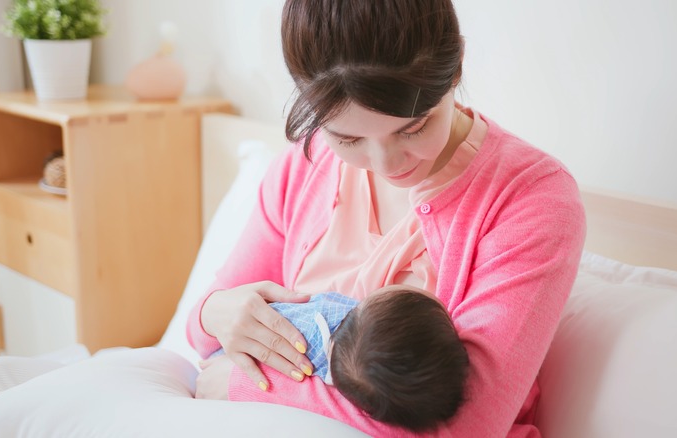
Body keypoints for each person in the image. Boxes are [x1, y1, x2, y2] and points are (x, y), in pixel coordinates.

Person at [188, 0, 586, 436]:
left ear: (456, 70)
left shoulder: (530, 199)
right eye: (348, 137)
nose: (385, 163)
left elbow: (463, 426)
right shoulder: (304, 165)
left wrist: (247, 385)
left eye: (412, 128)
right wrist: (215, 313)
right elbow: (204, 331)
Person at [205, 285, 470, 432]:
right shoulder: (368, 378)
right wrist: (208, 313)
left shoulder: (320, 321)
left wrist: (238, 382)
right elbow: (205, 331)